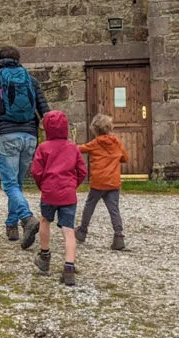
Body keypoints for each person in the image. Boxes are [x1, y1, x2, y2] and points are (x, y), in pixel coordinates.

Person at [0, 46, 50, 248]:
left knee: (9, 184)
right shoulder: (31, 80)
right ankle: (11, 226)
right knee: (17, 184)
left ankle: (27, 219)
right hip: (29, 136)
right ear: (18, 60)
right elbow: (45, 111)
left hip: (7, 135)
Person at [29, 110, 87, 286]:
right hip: (68, 194)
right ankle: (69, 267)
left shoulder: (43, 148)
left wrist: (43, 186)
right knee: (68, 230)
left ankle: (45, 256)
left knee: (45, 221)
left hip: (49, 192)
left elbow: (36, 171)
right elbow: (82, 171)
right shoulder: (72, 147)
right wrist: (72, 185)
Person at [76, 113, 129, 250]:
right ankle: (119, 236)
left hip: (98, 182)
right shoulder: (117, 143)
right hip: (113, 182)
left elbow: (80, 149)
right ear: (110, 127)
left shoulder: (95, 143)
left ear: (94, 129)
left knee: (90, 206)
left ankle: (82, 231)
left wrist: (68, 145)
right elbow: (125, 158)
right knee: (114, 209)